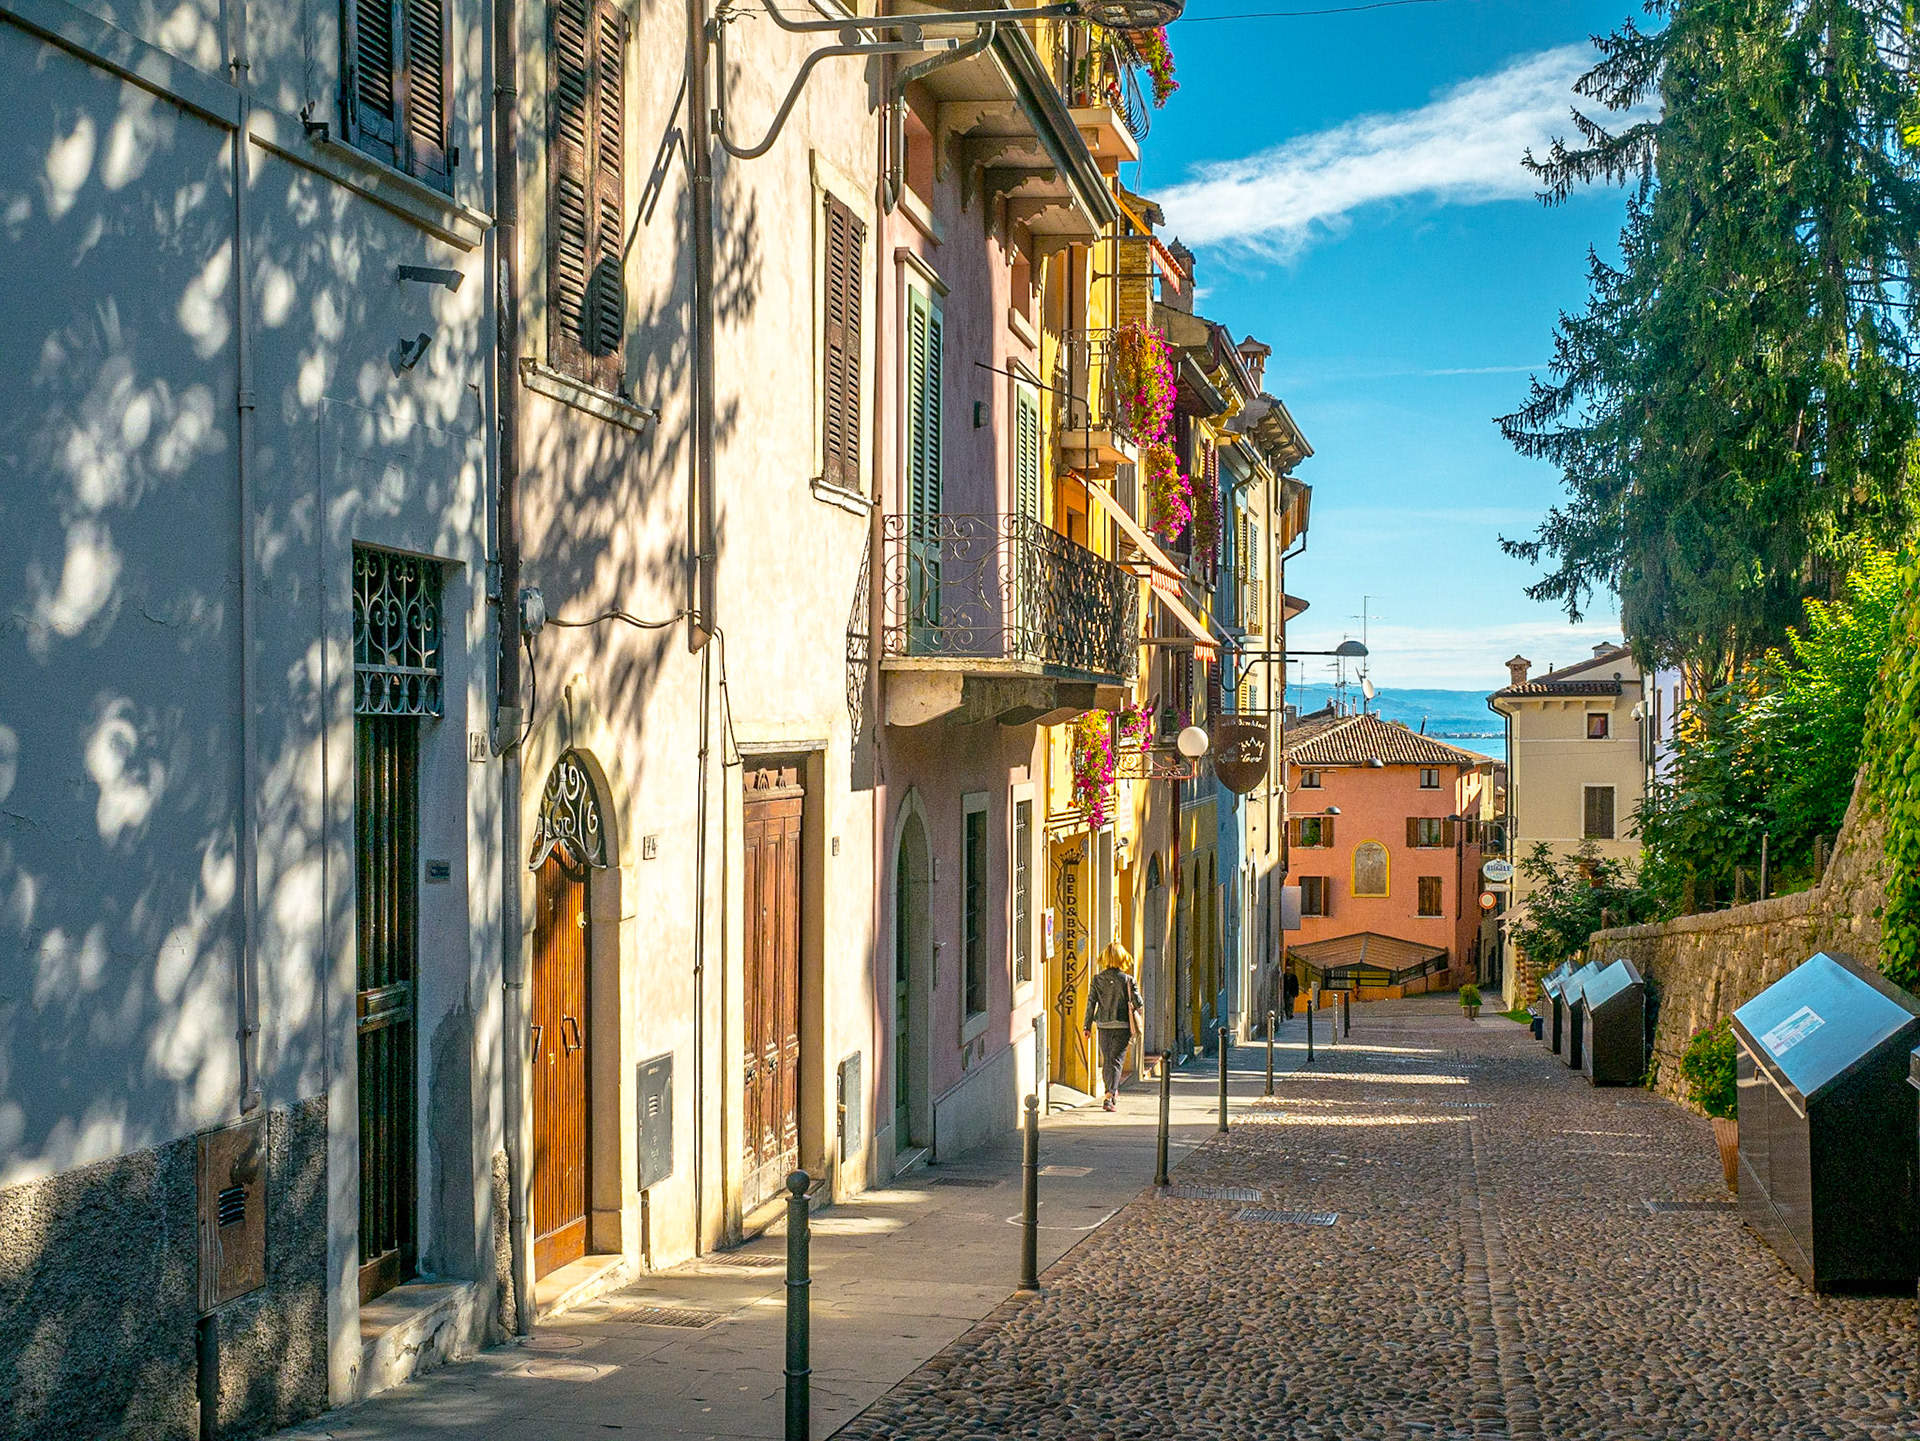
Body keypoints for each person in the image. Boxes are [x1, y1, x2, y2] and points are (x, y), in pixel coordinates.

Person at [1083, 941, 1144, 1112]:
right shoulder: (1128, 980)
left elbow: (1091, 1004)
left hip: (1103, 1024)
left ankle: (1109, 1091)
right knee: (1116, 1060)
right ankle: (1110, 1095)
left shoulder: (1097, 979)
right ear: (1122, 959)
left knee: (1108, 1058)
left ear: (1105, 959)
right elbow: (1139, 1003)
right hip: (1123, 1025)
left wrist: (1086, 1026)